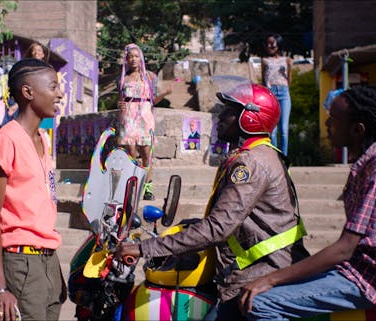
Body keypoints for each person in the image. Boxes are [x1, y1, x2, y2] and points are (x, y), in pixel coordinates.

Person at [116, 83, 309, 321]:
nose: (219, 116)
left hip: (260, 276)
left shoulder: (250, 163)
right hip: (263, 269)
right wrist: (192, 226)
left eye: (228, 110)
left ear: (248, 118)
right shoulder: (262, 154)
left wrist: (144, 248)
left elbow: (218, 228)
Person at [238, 86, 376, 321]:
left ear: (357, 130)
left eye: (334, 119)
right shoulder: (370, 162)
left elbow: (345, 248)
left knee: (260, 304)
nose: (327, 124)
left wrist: (271, 279)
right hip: (358, 269)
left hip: (374, 281)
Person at [0, 58, 65, 321]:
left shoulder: (43, 137)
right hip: (21, 262)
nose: (60, 94)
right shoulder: (7, 140)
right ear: (28, 92)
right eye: (53, 87)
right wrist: (0, 287)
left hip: (49, 261)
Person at [117, 43, 171, 200]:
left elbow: (154, 99)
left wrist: (166, 93)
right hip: (128, 117)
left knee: (146, 153)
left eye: (136, 56)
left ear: (141, 59)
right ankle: (132, 184)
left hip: (145, 115)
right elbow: (120, 99)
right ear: (127, 60)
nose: (133, 59)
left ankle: (147, 187)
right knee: (131, 152)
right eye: (130, 57)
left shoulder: (150, 77)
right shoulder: (123, 78)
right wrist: (119, 105)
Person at [261, 33, 293, 156]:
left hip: (284, 93)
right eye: (267, 44)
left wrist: (290, 69)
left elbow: (289, 82)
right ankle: (274, 157)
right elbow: (264, 80)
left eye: (272, 43)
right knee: (272, 131)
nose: (269, 46)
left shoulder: (286, 60)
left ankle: (284, 158)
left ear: (278, 44)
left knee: (284, 130)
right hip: (271, 94)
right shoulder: (265, 61)